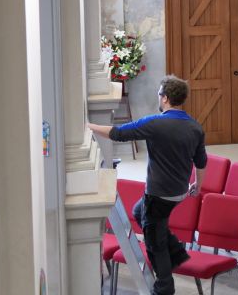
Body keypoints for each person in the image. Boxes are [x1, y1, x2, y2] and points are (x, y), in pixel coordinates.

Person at [89, 75, 207, 295]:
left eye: (159, 94)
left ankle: (164, 286)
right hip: (179, 192)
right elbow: (201, 162)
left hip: (159, 194)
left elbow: (118, 133)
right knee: (138, 211)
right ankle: (177, 252)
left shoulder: (155, 123)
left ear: (164, 98)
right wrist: (198, 185)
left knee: (155, 242)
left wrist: (88, 126)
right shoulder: (195, 127)